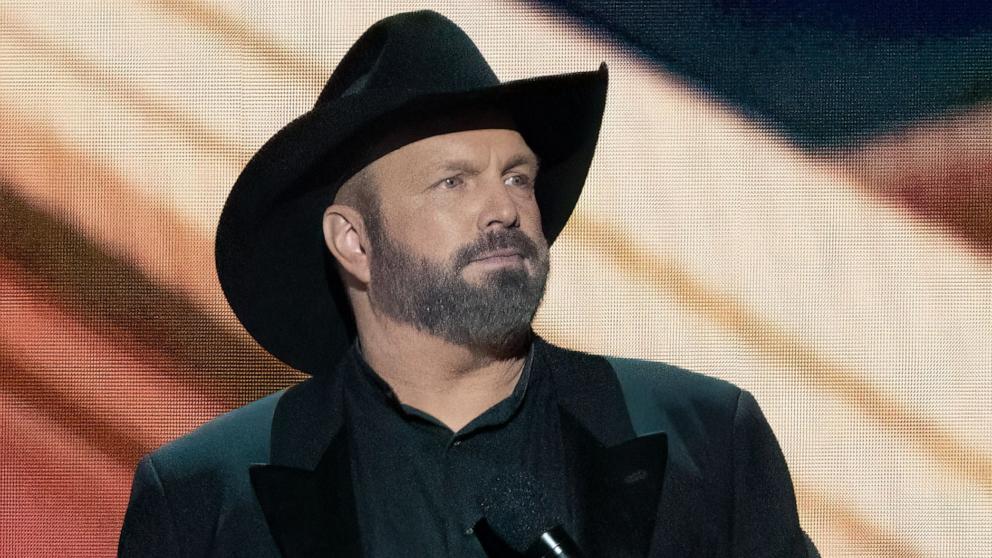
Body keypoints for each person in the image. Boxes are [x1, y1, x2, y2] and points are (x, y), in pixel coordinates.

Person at [118, 9, 818, 558]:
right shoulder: (201, 501)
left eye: (518, 176)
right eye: (454, 182)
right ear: (355, 242)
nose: (504, 208)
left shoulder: (709, 439)